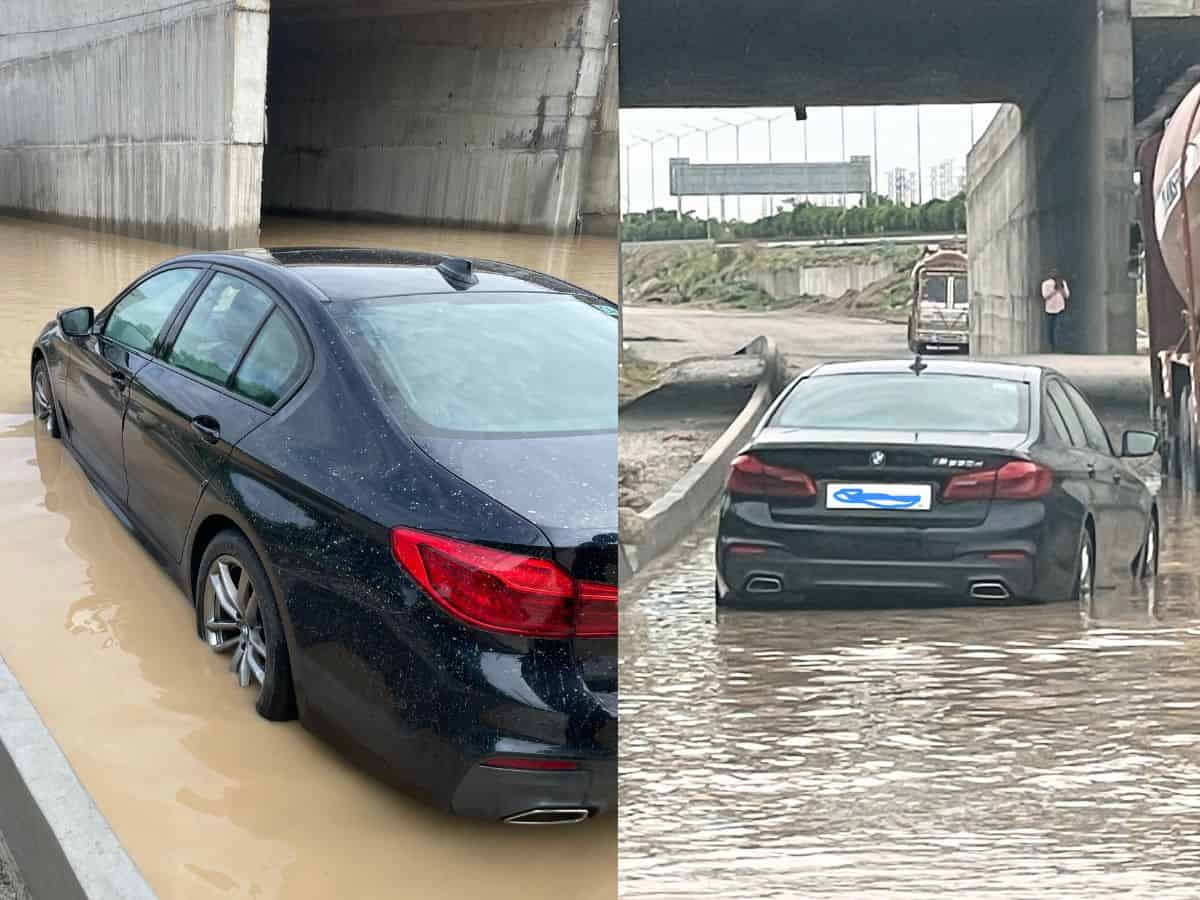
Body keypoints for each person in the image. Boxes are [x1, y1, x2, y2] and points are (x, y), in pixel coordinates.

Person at [1042, 269, 1070, 351]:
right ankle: (1052, 346)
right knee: (1051, 329)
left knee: (1059, 328)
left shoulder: (1063, 283)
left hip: (1060, 308)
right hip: (1050, 309)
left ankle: (1059, 345)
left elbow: (1066, 296)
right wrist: (1054, 290)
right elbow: (1045, 296)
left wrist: (1061, 289)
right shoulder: (1046, 284)